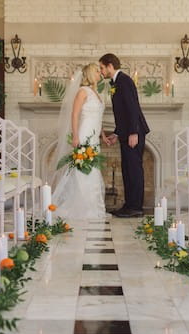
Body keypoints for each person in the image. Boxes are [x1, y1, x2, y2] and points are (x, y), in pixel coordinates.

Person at [51, 63, 107, 220]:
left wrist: (102, 134)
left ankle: (94, 208)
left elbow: (98, 117)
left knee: (94, 172)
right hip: (84, 135)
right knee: (83, 172)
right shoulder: (82, 92)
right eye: (97, 71)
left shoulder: (97, 93)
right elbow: (74, 115)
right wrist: (75, 136)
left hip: (94, 138)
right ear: (90, 74)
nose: (100, 73)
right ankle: (84, 208)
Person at [99, 53, 149, 218]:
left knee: (134, 169)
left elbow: (132, 108)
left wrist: (134, 132)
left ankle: (136, 207)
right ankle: (129, 205)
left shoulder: (124, 81)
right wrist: (117, 133)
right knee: (127, 169)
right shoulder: (116, 83)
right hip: (126, 133)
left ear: (110, 66)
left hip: (134, 132)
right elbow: (122, 113)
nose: (101, 71)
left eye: (102, 67)